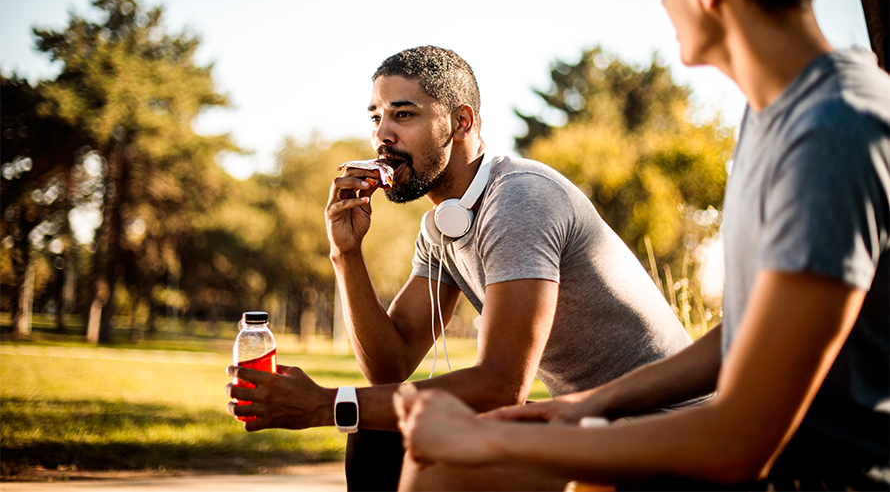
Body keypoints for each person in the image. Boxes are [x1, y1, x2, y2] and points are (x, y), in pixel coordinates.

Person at [395, 0, 890, 490]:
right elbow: (743, 334)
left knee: (450, 468)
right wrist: (581, 407)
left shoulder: (834, 129)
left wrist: (487, 437)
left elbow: (740, 442)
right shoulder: (772, 118)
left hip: (816, 476)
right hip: (753, 454)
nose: (661, 0)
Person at [226, 45, 693, 491]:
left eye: (403, 115)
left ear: (460, 121)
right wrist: (345, 255)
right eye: (376, 117)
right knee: (382, 434)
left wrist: (328, 405)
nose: (382, 135)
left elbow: (499, 386)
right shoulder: (442, 228)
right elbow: (390, 367)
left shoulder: (518, 199)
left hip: (664, 435)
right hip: (591, 424)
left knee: (387, 434)